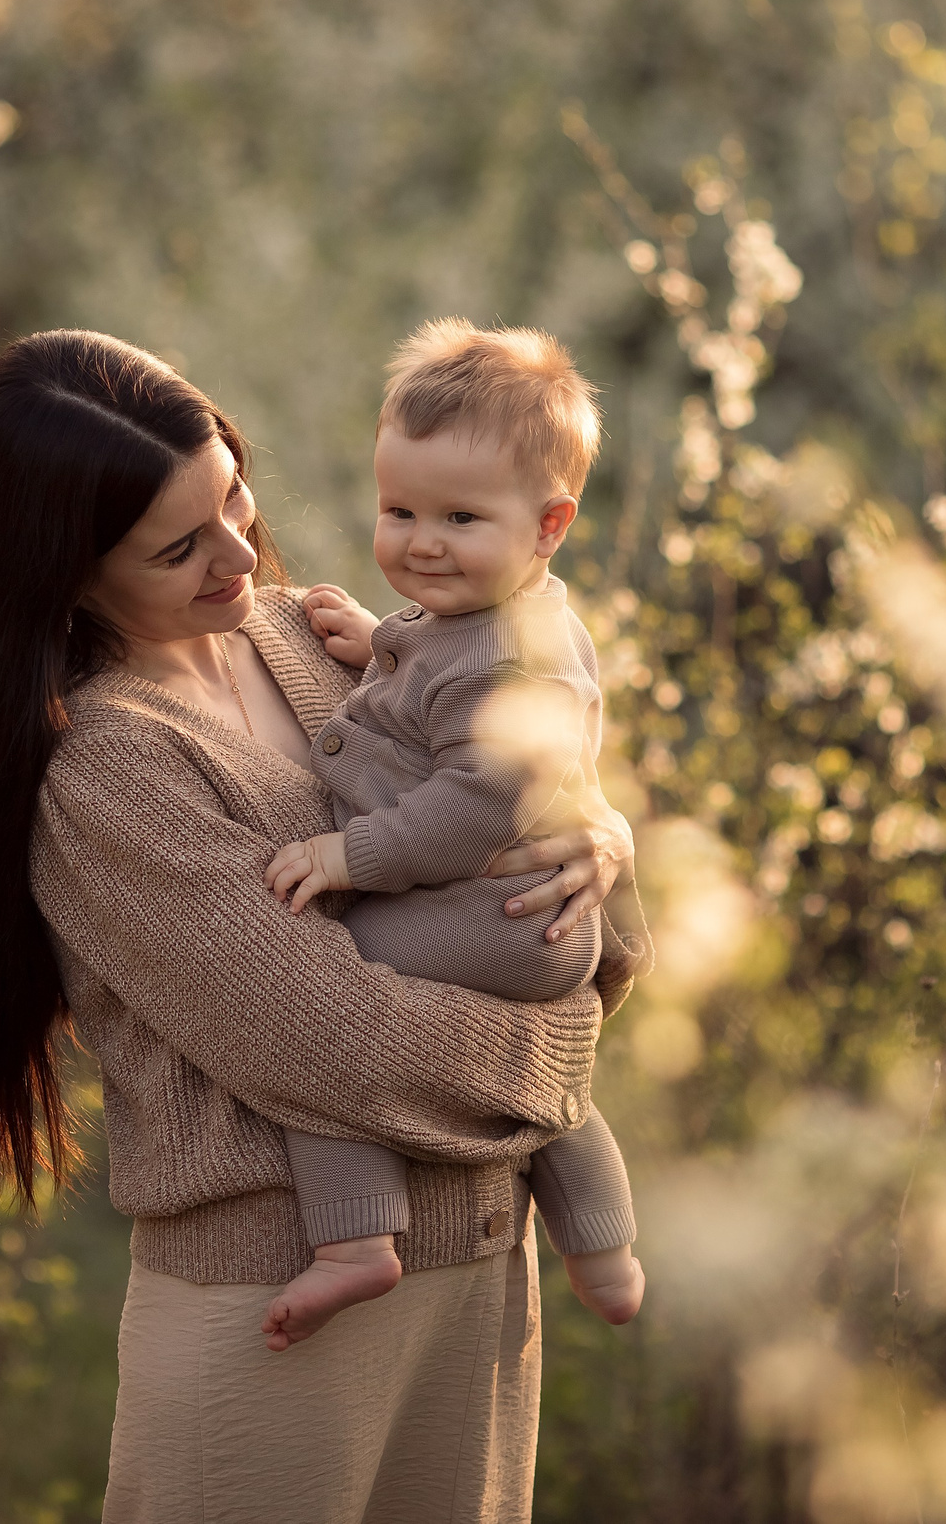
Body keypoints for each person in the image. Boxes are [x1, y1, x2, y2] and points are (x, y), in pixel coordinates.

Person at [0, 329, 649, 1524]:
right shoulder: (109, 769)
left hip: (483, 1278)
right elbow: (335, 1042)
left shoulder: (319, 644)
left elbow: (562, 909)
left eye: (234, 494)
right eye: (178, 547)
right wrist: (557, 1058)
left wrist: (601, 842)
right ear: (60, 573)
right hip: (275, 1318)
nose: (238, 555)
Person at [259, 320, 645, 1351]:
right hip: (518, 921)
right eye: (399, 511)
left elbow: (477, 804)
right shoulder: (484, 620)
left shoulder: (518, 662)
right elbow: (439, 669)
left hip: (496, 911)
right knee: (550, 1086)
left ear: (549, 525)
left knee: (314, 1006)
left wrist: (354, 857)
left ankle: (353, 1240)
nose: (420, 543)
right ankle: (603, 1248)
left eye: (459, 518)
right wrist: (378, 641)